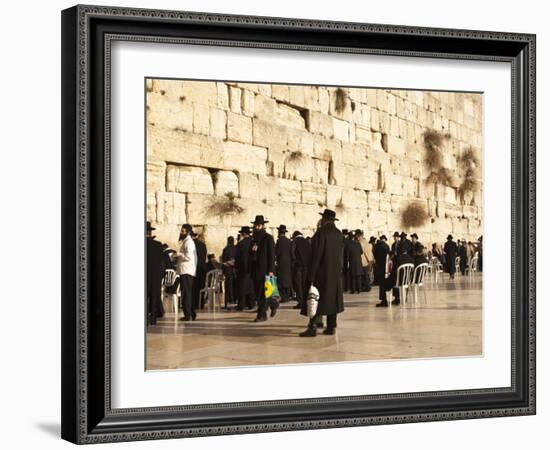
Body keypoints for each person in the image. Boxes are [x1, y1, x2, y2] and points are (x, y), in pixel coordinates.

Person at [300, 209, 344, 337]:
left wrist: (311, 275)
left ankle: (312, 327)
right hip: (335, 273)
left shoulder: (321, 233)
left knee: (314, 298)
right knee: (332, 299)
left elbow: (316, 255)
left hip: (321, 273)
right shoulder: (339, 234)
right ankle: (331, 326)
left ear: (324, 219)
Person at [249, 215, 278, 322]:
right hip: (256, 270)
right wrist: (253, 251)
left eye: (259, 225)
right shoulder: (253, 239)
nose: (257, 227)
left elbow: (272, 255)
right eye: (256, 225)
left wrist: (271, 270)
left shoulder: (268, 238)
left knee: (264, 293)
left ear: (263, 226)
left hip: (266, 270)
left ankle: (261, 315)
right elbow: (250, 255)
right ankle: (274, 304)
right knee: (261, 293)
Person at [176, 223, 198, 321]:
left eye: (183, 231)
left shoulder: (189, 242)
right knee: (188, 293)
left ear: (188, 232)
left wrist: (179, 255)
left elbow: (189, 256)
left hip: (186, 271)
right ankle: (191, 313)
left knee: (186, 293)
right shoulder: (186, 241)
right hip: (186, 270)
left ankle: (187, 314)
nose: (181, 232)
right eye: (181, 230)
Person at [146, 222, 165, 325]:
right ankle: (153, 320)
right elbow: (162, 262)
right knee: (154, 297)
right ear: (150, 232)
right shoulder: (158, 245)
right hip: (155, 276)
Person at [235, 226, 255, 311]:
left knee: (242, 287)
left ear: (242, 234)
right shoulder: (253, 243)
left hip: (242, 269)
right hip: (251, 268)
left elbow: (238, 257)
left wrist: (236, 267)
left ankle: (241, 305)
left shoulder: (240, 244)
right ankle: (251, 304)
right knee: (251, 286)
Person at [291, 230, 311, 311]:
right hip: (306, 266)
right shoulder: (306, 241)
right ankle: (305, 302)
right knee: (304, 284)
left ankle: (300, 302)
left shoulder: (295, 241)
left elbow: (292, 253)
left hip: (298, 266)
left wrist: (294, 262)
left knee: (298, 284)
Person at [275, 225, 293, 303]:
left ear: (279, 232)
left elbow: (277, 252)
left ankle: (284, 297)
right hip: (288, 263)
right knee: (287, 280)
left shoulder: (279, 241)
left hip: (281, 263)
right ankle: (287, 296)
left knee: (281, 281)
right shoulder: (289, 241)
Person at [374, 235, 391, 307]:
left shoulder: (377, 246)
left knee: (382, 284)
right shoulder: (387, 246)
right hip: (386, 268)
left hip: (380, 267)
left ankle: (384, 300)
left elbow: (375, 255)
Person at [192, 232, 207, 310]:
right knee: (201, 286)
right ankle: (201, 304)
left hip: (194, 268)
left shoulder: (191, 244)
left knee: (194, 287)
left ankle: (194, 304)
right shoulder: (203, 245)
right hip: (202, 268)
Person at [221, 236, 236, 308]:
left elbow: (224, 261)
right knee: (234, 285)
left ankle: (229, 300)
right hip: (236, 270)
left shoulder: (226, 249)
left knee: (228, 286)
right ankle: (234, 299)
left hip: (228, 270)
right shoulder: (236, 248)